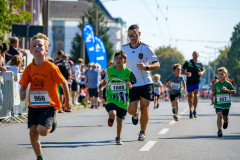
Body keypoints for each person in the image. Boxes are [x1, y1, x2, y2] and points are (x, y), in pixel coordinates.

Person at [19, 33, 72, 160]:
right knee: (33, 132)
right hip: (34, 105)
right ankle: (39, 157)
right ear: (30, 50)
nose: (37, 47)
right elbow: (23, 84)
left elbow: (63, 82)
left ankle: (52, 123)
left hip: (49, 105)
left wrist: (67, 102)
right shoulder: (29, 69)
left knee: (42, 131)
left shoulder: (51, 67)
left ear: (46, 50)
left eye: (40, 46)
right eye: (34, 46)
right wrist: (22, 91)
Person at [122, 24, 160, 141]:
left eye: (133, 35)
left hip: (145, 82)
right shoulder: (124, 49)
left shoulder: (146, 48)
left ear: (139, 34)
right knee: (131, 109)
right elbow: (118, 63)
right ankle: (135, 114)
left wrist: (146, 67)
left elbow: (157, 64)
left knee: (145, 108)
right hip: (131, 83)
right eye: (129, 36)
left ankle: (142, 132)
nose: (132, 38)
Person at [101, 51, 136, 145]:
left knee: (120, 120)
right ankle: (111, 119)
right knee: (112, 113)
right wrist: (102, 87)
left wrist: (130, 85)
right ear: (114, 60)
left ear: (125, 61)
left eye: (121, 59)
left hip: (123, 99)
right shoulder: (110, 70)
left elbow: (133, 82)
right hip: (111, 97)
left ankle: (118, 137)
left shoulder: (128, 72)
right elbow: (105, 82)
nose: (118, 60)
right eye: (116, 59)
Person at [213, 67, 235, 137]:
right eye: (219, 74)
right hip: (218, 104)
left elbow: (234, 91)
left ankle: (225, 121)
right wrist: (212, 95)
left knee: (225, 116)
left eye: (222, 74)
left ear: (226, 75)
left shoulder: (228, 83)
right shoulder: (216, 84)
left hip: (226, 104)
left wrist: (227, 90)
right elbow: (214, 92)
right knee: (219, 115)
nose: (220, 76)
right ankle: (219, 130)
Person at [182, 51, 205, 118]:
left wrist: (201, 73)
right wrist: (186, 73)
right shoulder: (188, 62)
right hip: (189, 82)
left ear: (198, 55)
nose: (195, 55)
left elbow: (203, 70)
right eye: (194, 54)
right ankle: (190, 110)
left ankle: (195, 110)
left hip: (197, 81)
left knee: (196, 94)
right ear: (192, 55)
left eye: (196, 54)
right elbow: (182, 71)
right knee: (190, 96)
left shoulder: (200, 64)